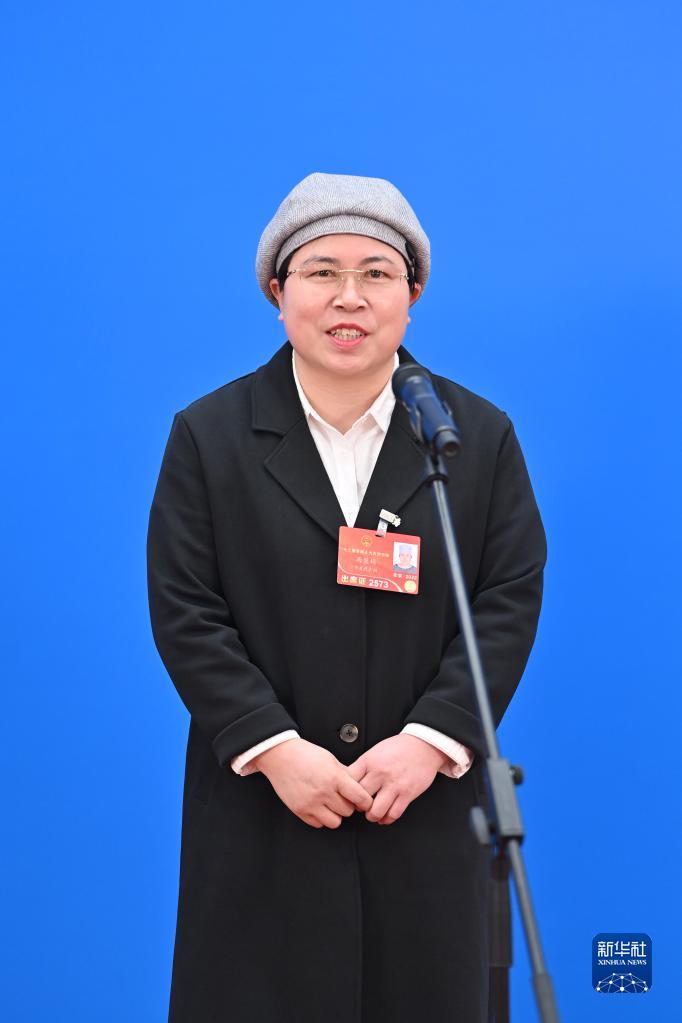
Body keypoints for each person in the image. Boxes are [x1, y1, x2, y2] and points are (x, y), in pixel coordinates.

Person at [146, 171, 547, 1023]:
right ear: (277, 290)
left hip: (423, 808)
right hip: (264, 813)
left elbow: (506, 598)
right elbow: (186, 607)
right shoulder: (209, 436)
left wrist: (431, 740)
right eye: (322, 271)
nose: (349, 297)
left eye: (376, 273)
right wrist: (274, 748)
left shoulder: (472, 437)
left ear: (413, 294)